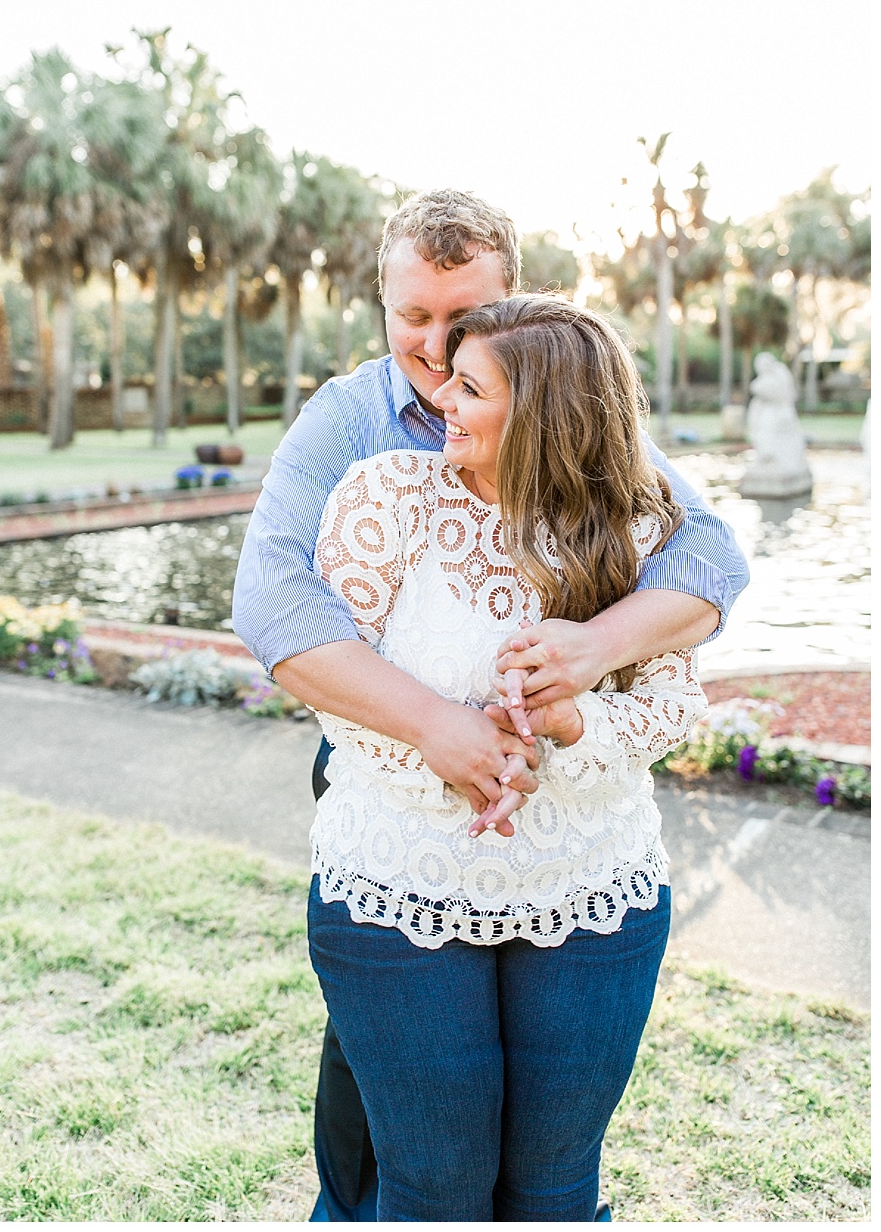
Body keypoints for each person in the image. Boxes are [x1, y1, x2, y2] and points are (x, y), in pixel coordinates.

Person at [230, 191, 749, 1219]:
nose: (431, 349)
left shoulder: (573, 422)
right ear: (382, 303)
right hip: (397, 822)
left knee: (548, 1174)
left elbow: (709, 555)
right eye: (409, 317)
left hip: (573, 853)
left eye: (458, 323)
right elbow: (277, 608)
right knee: (392, 1146)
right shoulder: (353, 431)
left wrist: (591, 651)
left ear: (517, 308)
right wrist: (439, 730)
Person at [304, 294, 707, 1219]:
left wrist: (575, 726)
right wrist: (462, 754)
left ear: (544, 413)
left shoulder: (644, 530)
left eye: (470, 385)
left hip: (593, 893)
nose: (440, 396)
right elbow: (332, 681)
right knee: (435, 1188)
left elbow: (674, 704)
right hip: (399, 886)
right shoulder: (385, 497)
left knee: (556, 1188)